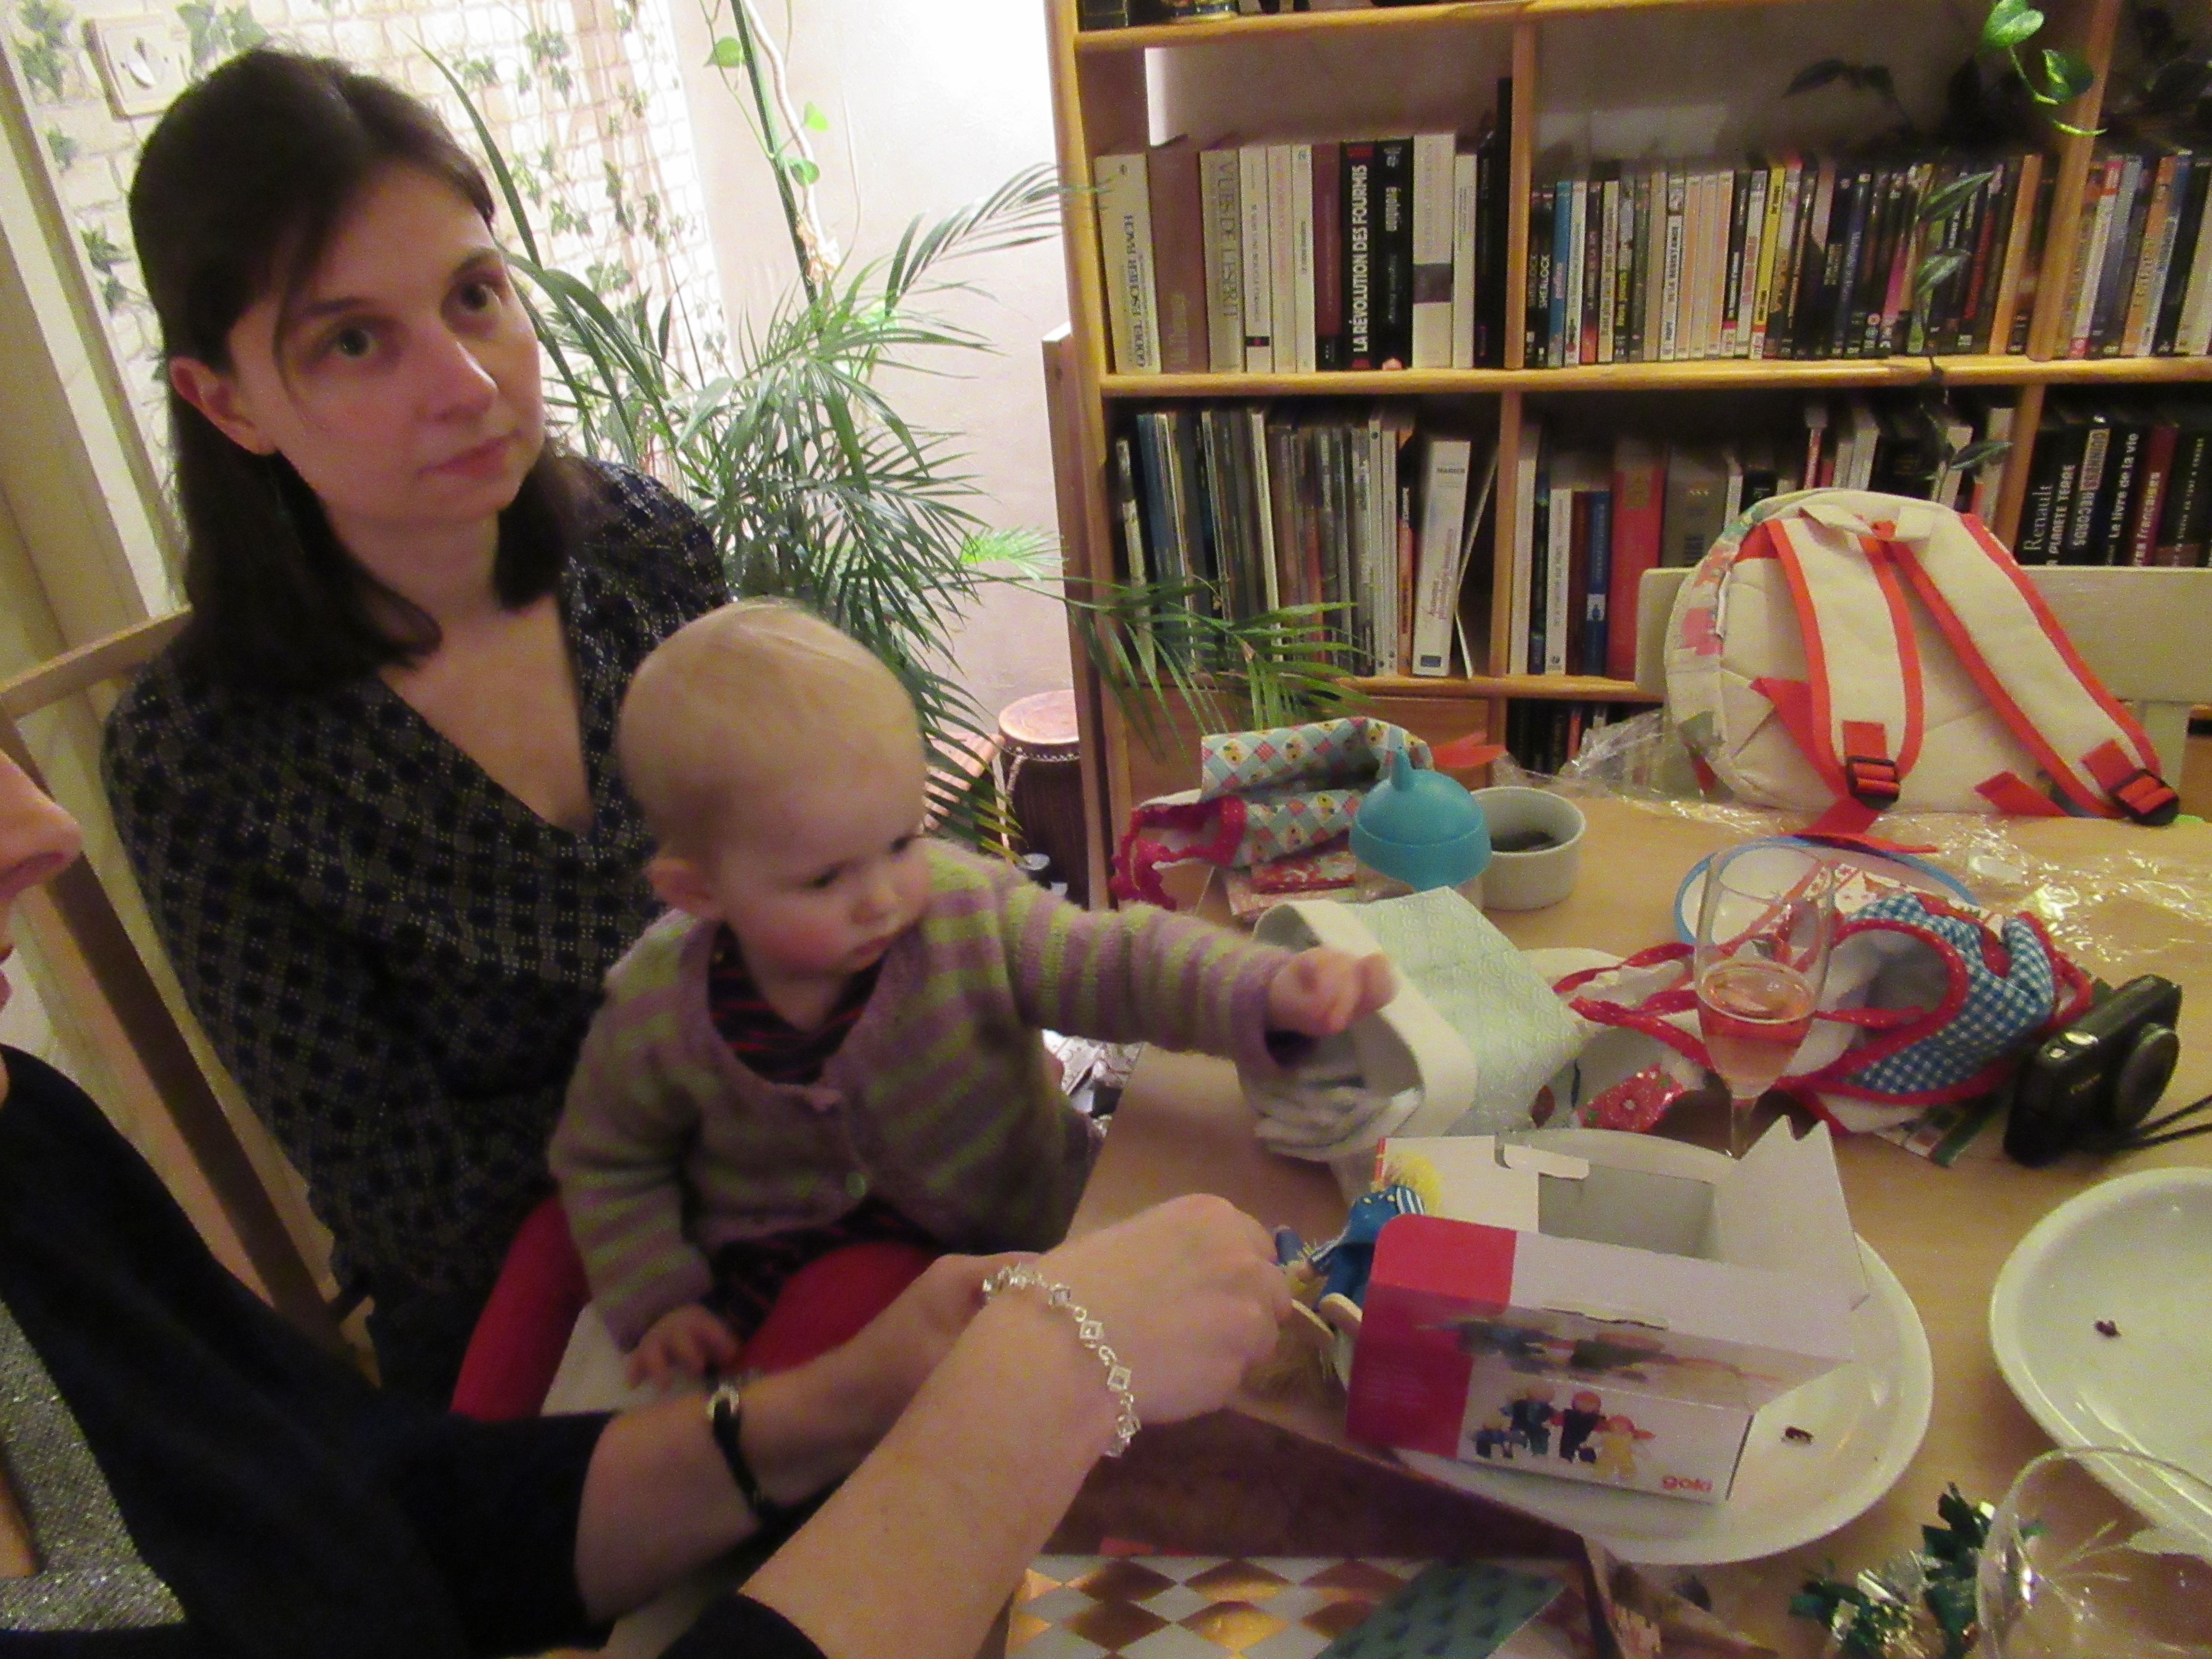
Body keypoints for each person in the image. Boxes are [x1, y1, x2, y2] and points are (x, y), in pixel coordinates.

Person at [0, 740, 1292, 1654]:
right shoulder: (662, 1016)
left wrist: (853, 1395)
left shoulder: (27, 1136)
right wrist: (1044, 1380)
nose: (43, 833)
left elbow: (378, 1502)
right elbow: (554, 1227)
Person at [102, 48, 728, 1401]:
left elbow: (805, 848)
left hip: (810, 1154)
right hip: (540, 1310)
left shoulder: (645, 553)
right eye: (353, 340)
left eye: (474, 296)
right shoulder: (203, 757)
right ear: (227, 402)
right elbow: (412, 1197)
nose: (468, 383)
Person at [550, 600, 1396, 1384]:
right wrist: (658, 1297)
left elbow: (1118, 964)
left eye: (899, 842)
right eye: (824, 879)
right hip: (790, 1305)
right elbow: (609, 1159)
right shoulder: (654, 1009)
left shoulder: (961, 912)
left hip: (1035, 1229)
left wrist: (1265, 989)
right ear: (699, 891)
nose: (882, 895)